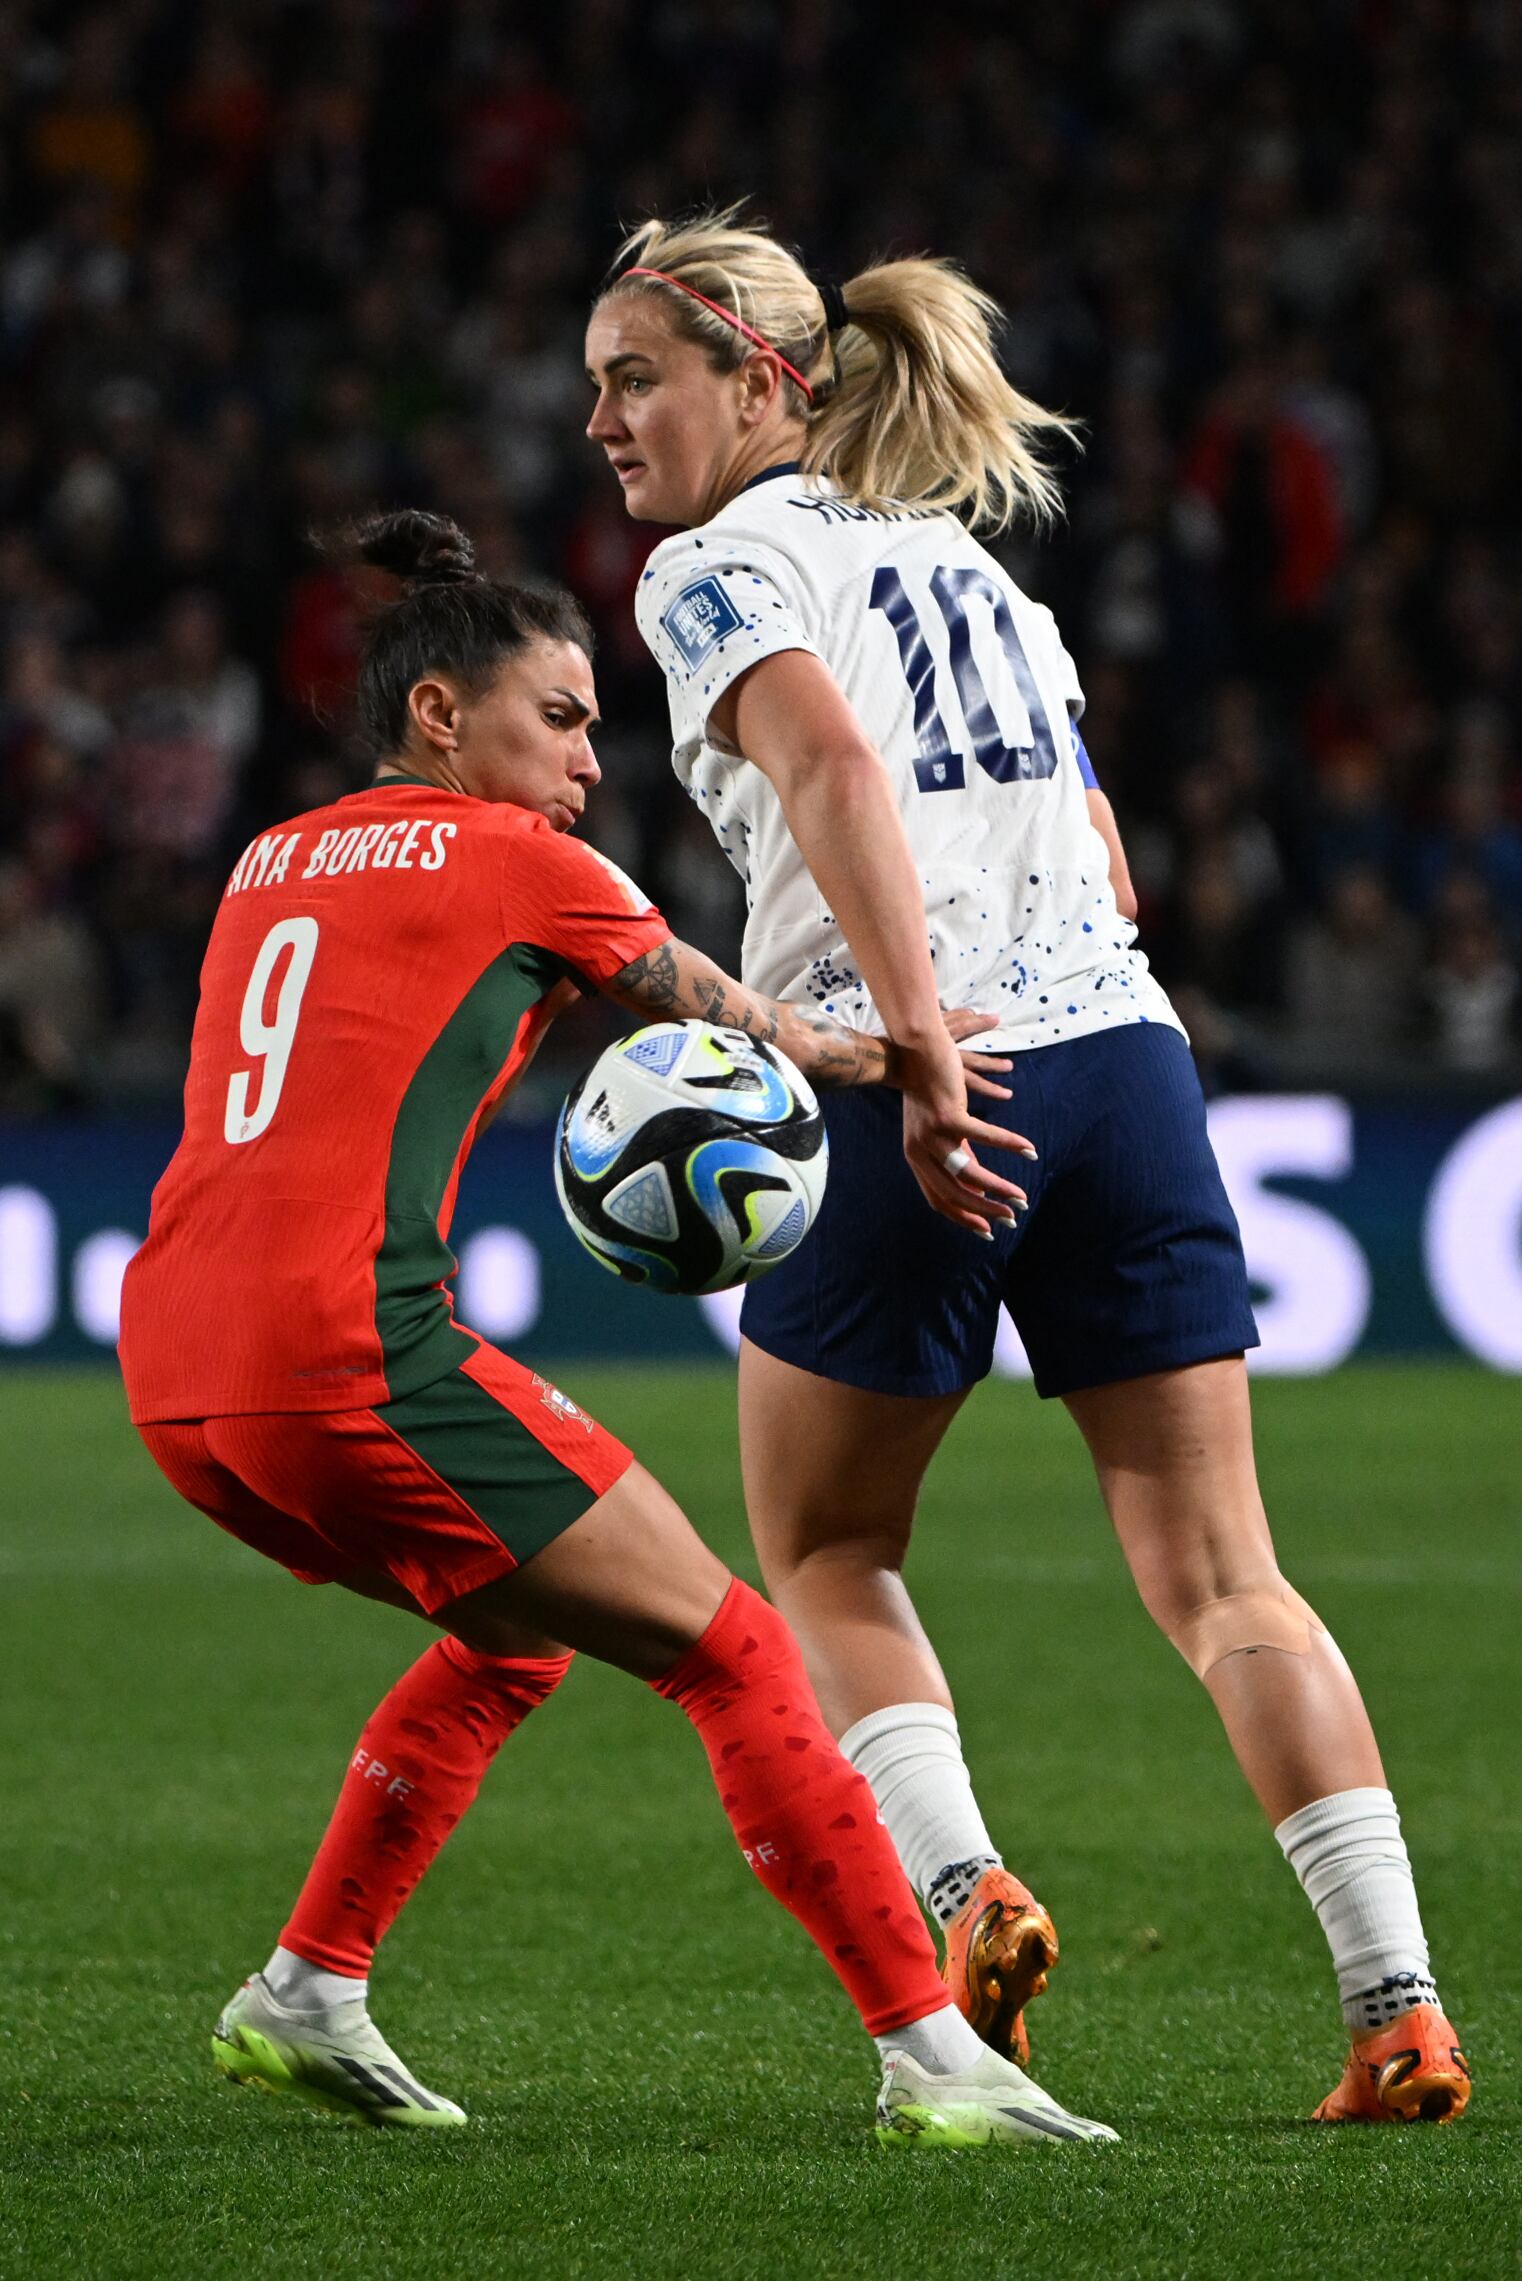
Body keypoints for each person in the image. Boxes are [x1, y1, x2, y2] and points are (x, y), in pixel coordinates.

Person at [257, 211, 1469, 2127]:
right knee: (1229, 1572)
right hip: (1127, 1061)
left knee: (823, 1550)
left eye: (632, 377)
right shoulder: (979, 573)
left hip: (927, 1070)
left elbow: (825, 764)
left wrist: (907, 1042)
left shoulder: (715, 566)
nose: (600, 420)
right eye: (589, 386)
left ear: (763, 378)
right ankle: (1396, 2003)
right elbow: (1103, 851)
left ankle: (959, 1881)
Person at [117, 507, 1114, 2151]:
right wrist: (895, 1053)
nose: (592, 756)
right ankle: (934, 2056)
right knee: (736, 1649)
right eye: (562, 718)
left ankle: (308, 1987)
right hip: (348, 1351)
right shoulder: (524, 862)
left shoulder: (263, 860)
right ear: (441, 716)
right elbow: (732, 1010)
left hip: (174, 1370)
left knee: (510, 1631)